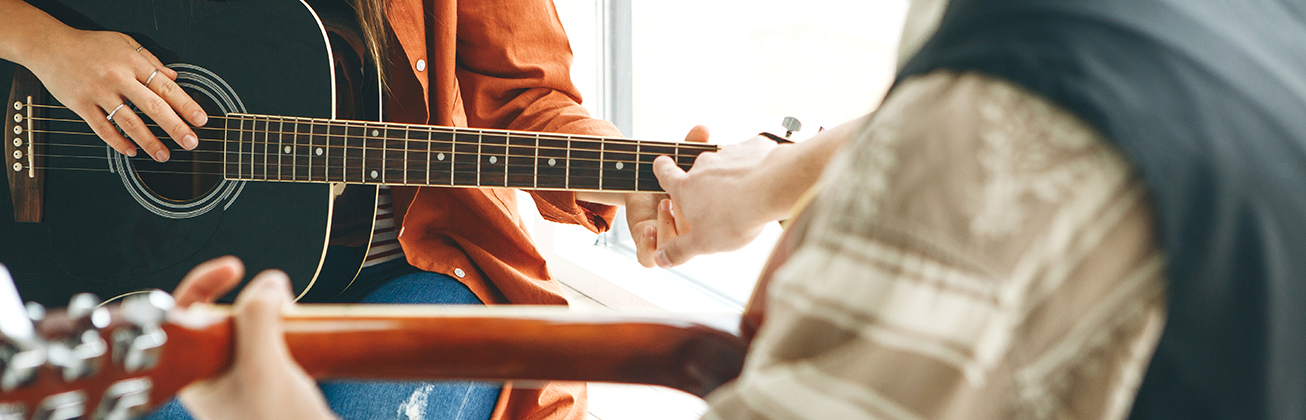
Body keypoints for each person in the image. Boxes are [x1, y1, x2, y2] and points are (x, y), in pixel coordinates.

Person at [0, 0, 690, 418]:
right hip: (159, 278)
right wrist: (49, 45)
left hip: (411, 271)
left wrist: (630, 174)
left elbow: (530, 100)